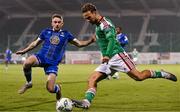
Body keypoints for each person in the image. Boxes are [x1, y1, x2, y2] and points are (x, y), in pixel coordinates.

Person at [72, 3, 177, 109]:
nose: (88, 20)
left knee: (139, 77)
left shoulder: (105, 24)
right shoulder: (98, 26)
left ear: (94, 13)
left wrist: (107, 55)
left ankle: (162, 74)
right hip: (108, 61)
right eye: (86, 18)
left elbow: (112, 40)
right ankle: (86, 102)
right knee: (92, 79)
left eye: (89, 17)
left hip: (118, 57)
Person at [16, 14, 95, 101]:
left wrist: (90, 41)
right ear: (52, 23)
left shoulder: (66, 34)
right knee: (27, 63)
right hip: (41, 57)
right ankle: (29, 83)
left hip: (52, 63)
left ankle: (58, 88)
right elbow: (35, 43)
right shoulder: (45, 32)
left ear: (62, 24)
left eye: (59, 22)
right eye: (55, 22)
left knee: (50, 88)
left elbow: (79, 44)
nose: (57, 24)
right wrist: (24, 51)